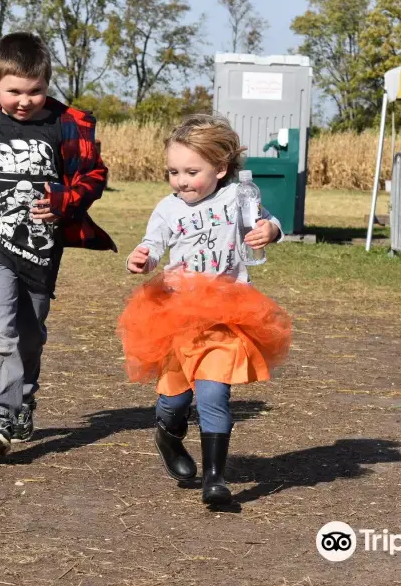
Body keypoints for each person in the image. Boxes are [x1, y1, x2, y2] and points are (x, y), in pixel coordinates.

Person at [0, 32, 116, 456]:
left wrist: (64, 201)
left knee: (30, 337)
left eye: (35, 91)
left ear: (47, 86)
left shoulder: (68, 124)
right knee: (0, 329)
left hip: (40, 250)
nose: (24, 100)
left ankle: (22, 399)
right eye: (13, 91)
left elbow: (93, 176)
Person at [119, 114, 292, 506]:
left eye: (191, 171)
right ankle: (168, 433)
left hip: (226, 314)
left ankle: (215, 478)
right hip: (178, 314)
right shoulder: (168, 208)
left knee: (214, 394)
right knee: (176, 398)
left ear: (220, 168)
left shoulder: (237, 197)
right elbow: (152, 246)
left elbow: (266, 223)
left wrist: (272, 231)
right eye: (173, 171)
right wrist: (142, 259)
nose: (181, 180)